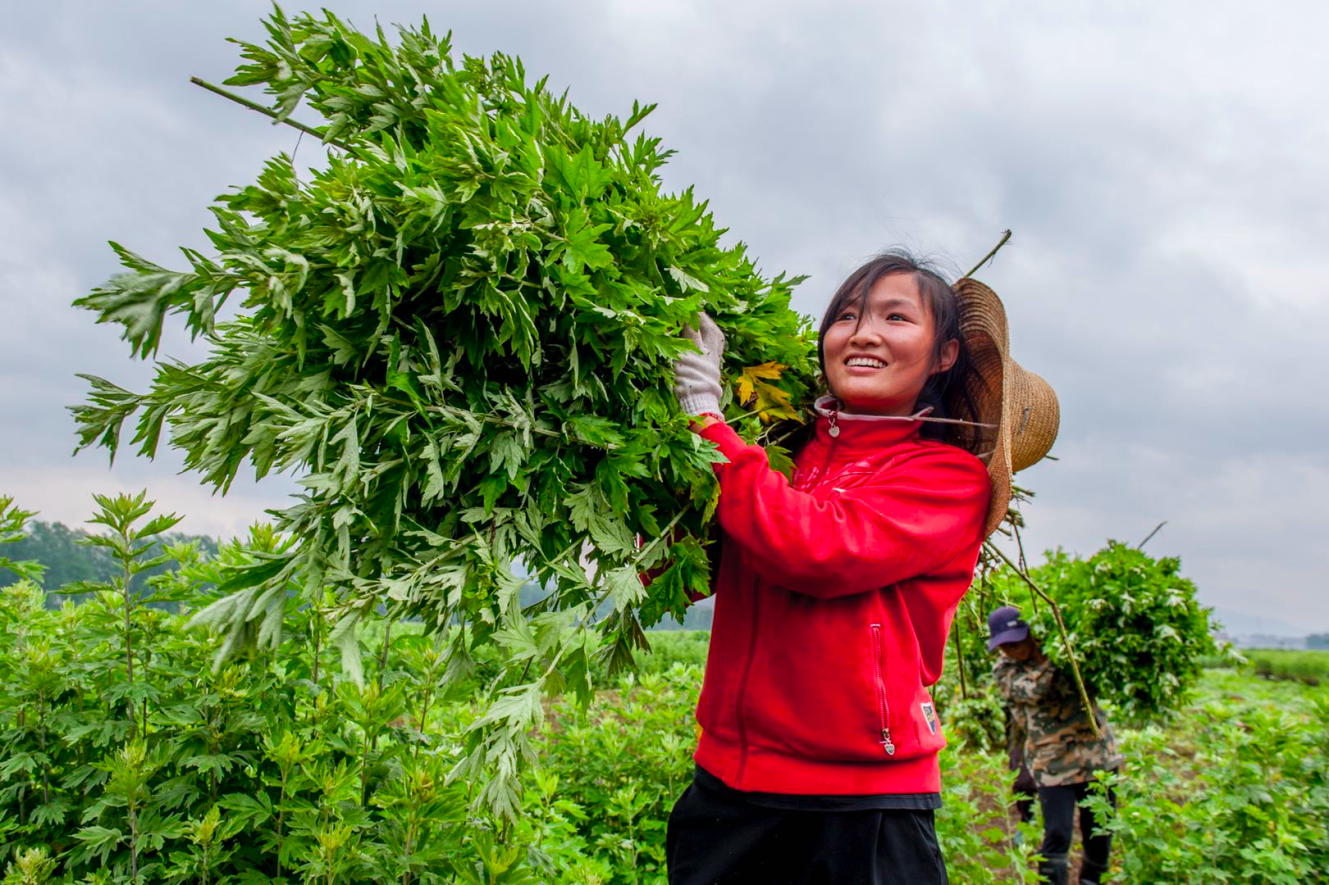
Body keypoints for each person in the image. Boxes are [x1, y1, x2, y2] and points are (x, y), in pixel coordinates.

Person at [664, 250, 1060, 884]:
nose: (863, 333)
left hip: (860, 802)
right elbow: (705, 566)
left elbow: (816, 549)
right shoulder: (782, 451)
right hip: (727, 790)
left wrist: (705, 418)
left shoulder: (946, 478)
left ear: (945, 355)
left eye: (895, 317)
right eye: (847, 316)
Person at [988, 606, 1123, 885]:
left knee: (1100, 832)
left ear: (1031, 635)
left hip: (1097, 758)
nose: (1012, 650)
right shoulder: (1005, 670)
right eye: (1005, 646)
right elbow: (1034, 690)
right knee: (1057, 835)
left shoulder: (1069, 655)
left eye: (1017, 641)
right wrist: (1056, 653)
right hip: (1052, 765)